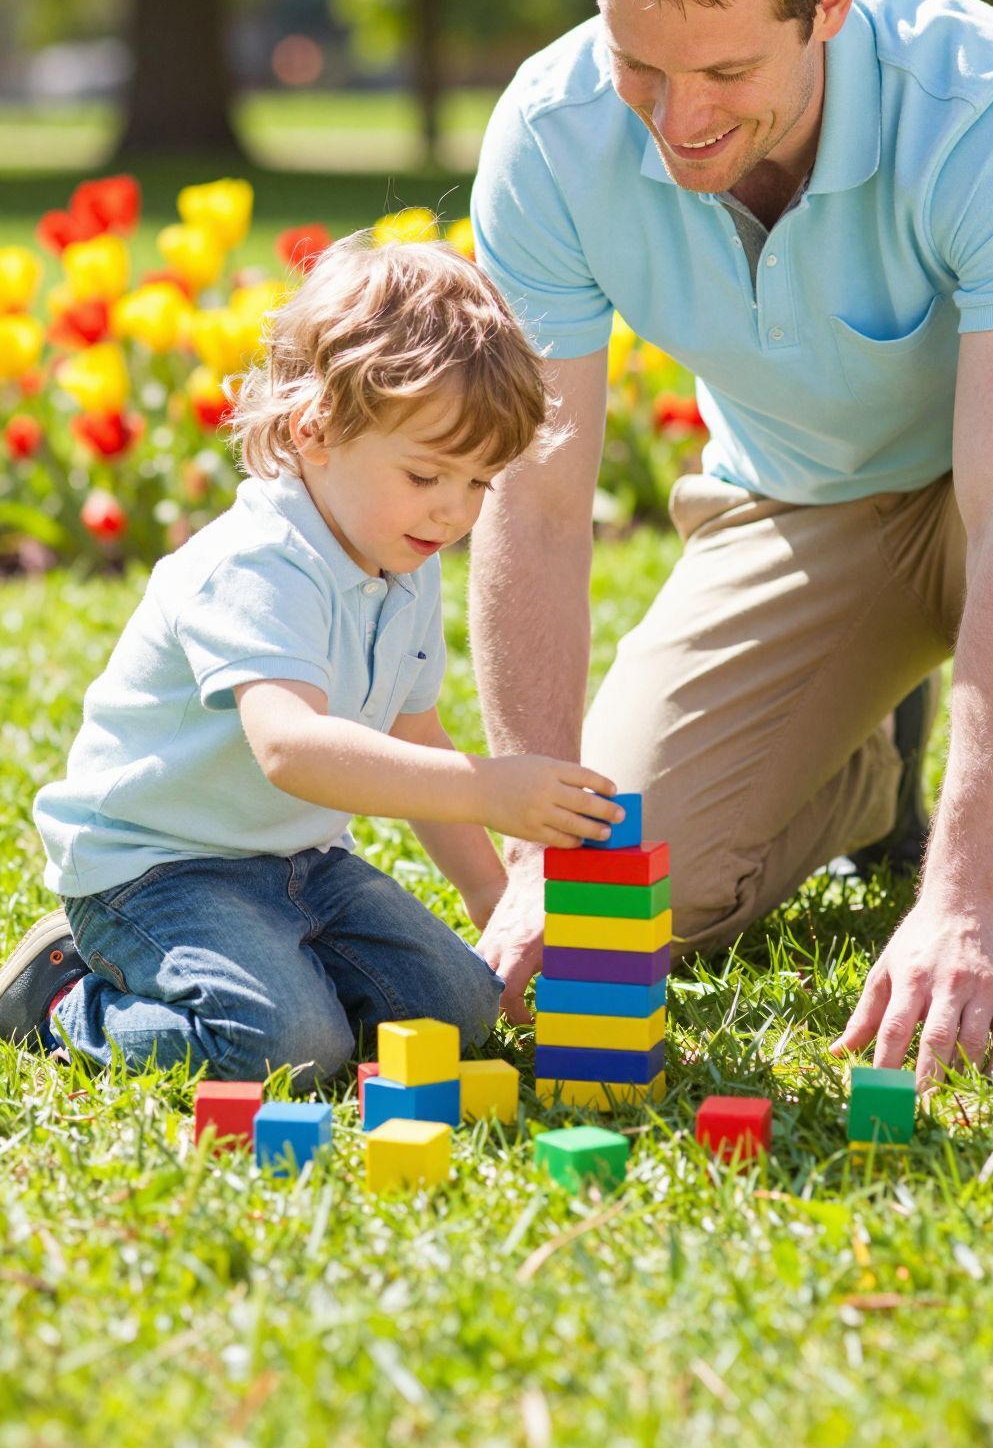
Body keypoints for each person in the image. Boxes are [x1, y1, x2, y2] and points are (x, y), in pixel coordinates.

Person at [467, 0, 993, 1086]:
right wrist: (543, 860)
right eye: (641, 67)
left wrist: (970, 892)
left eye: (727, 72)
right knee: (625, 910)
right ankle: (861, 783)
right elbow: (537, 501)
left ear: (830, 3)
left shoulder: (991, 98)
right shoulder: (552, 132)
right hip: (793, 509)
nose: (678, 121)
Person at [0, 236, 620, 1079]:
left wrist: (491, 900)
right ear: (316, 430)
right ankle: (64, 999)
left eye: (478, 483)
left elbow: (417, 732)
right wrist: (490, 786)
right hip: (156, 867)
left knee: (459, 1008)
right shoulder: (259, 562)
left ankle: (281, 971)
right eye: (428, 473)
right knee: (286, 1049)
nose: (452, 511)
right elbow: (290, 747)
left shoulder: (403, 556)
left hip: (295, 862)